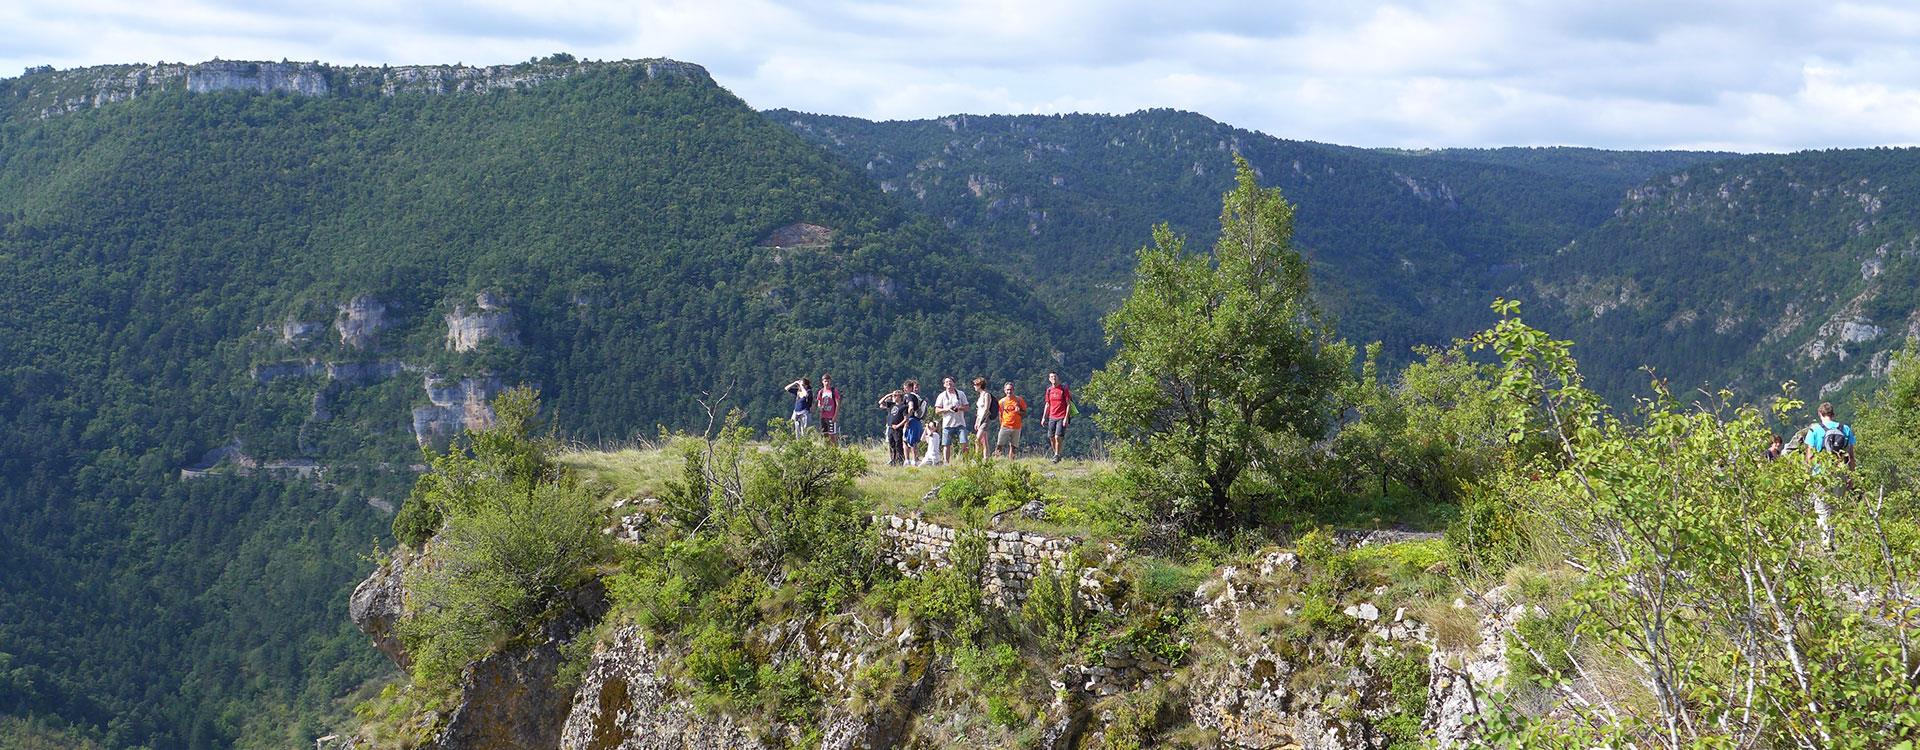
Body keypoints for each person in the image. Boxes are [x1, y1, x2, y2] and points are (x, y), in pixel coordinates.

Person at [1802, 401, 1856, 549]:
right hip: (1840, 473)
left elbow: (1810, 457)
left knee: (1821, 509)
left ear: (1820, 414)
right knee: (1835, 508)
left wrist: (1808, 476)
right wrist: (1851, 476)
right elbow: (1851, 457)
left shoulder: (1814, 430)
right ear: (1833, 414)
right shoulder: (1845, 429)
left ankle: (1827, 543)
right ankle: (1834, 541)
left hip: (1821, 474)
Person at [935, 377, 969, 465]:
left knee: (964, 442)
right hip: (947, 424)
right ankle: (946, 463)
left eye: (950, 381)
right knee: (946, 444)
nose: (949, 383)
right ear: (944, 385)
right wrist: (947, 409)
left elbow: (967, 407)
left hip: (960, 423)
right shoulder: (942, 395)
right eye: (946, 382)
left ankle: (966, 462)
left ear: (954, 383)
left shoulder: (961, 394)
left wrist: (959, 408)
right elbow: (937, 410)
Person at [1042, 371, 1072, 463]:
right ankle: (1056, 453)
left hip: (1061, 416)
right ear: (1049, 379)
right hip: (1052, 416)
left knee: (1057, 437)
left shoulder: (1063, 389)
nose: (1053, 379)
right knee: (1051, 437)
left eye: (1055, 377)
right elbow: (1047, 404)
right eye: (1051, 377)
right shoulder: (1049, 390)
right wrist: (1044, 417)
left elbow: (1068, 404)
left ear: (1058, 378)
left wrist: (1066, 418)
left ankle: (1056, 455)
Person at [997, 381, 1028, 459]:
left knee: (1014, 447)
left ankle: (1011, 463)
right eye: (1007, 390)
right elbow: (1000, 414)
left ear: (1013, 390)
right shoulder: (1001, 402)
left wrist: (1019, 412)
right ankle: (996, 460)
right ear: (1004, 390)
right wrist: (1002, 424)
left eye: (1010, 389)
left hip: (1016, 427)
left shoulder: (1019, 400)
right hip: (1005, 426)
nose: (1009, 391)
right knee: (999, 445)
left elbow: (1024, 413)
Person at [879, 387, 908, 466]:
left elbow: (906, 419)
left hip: (898, 429)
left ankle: (900, 460)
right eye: (893, 395)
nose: (894, 397)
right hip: (890, 428)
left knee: (898, 444)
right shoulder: (891, 405)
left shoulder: (903, 406)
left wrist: (898, 426)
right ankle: (893, 460)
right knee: (891, 445)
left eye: (895, 395)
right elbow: (880, 403)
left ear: (900, 397)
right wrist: (888, 395)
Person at [902, 380, 925, 466]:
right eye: (904, 389)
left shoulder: (910, 396)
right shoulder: (914, 396)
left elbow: (911, 407)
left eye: (906, 388)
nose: (904, 390)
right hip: (915, 420)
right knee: (907, 440)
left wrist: (907, 419)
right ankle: (910, 460)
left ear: (910, 388)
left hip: (912, 420)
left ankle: (912, 460)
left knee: (911, 441)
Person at [972, 377, 995, 461]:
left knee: (977, 440)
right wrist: (977, 421)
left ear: (979, 385)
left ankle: (977, 458)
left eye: (975, 385)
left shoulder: (986, 395)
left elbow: (986, 409)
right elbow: (979, 410)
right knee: (984, 441)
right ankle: (986, 458)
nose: (974, 386)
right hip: (980, 419)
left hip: (985, 419)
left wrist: (980, 421)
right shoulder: (980, 396)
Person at [815, 374, 841, 447]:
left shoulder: (833, 391)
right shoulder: (821, 392)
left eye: (828, 381)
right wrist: (820, 406)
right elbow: (819, 402)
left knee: (833, 435)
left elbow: (838, 404)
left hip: (831, 416)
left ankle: (835, 450)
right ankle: (827, 450)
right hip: (823, 417)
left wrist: (835, 416)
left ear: (830, 381)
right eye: (825, 381)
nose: (827, 383)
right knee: (825, 435)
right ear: (822, 382)